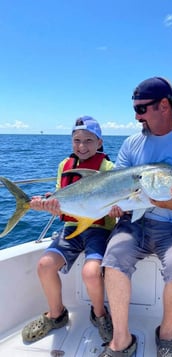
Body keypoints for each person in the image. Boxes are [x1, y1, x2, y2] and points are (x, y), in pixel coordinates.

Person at [99, 77, 172, 357]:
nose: (136, 116)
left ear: (164, 105)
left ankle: (166, 334)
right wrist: (116, 206)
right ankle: (121, 339)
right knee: (113, 261)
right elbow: (117, 184)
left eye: (141, 109)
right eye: (135, 109)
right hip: (133, 223)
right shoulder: (131, 143)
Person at [21, 116, 115, 344]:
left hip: (99, 229)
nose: (82, 146)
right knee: (44, 265)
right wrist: (48, 205)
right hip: (71, 227)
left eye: (89, 141)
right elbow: (59, 196)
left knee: (91, 273)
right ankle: (56, 315)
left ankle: (100, 315)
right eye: (77, 140)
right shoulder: (64, 165)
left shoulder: (108, 168)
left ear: (100, 143)